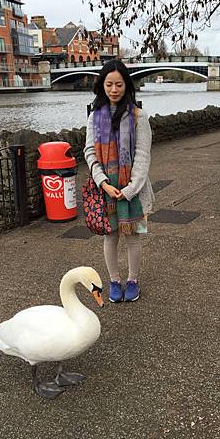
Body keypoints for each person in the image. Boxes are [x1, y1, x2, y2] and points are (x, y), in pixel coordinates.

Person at [83, 59, 154, 303]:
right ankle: (114, 281)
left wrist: (131, 188)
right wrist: (103, 182)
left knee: (133, 236)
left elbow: (143, 155)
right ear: (102, 85)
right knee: (110, 237)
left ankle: (132, 280)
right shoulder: (95, 117)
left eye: (119, 84)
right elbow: (89, 152)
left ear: (127, 86)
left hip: (131, 189)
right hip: (106, 189)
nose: (114, 90)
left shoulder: (138, 116)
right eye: (109, 84)